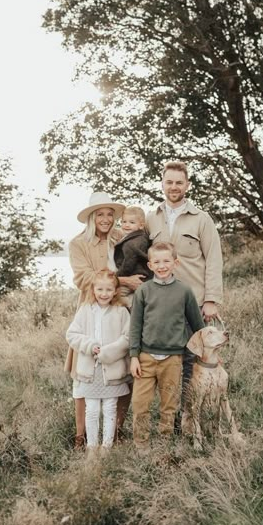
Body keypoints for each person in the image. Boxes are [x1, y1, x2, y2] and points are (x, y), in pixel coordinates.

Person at [68, 192, 144, 448]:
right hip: (92, 309)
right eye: (100, 214)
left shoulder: (121, 239)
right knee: (83, 372)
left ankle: (117, 429)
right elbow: (83, 277)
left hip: (121, 310)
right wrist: (121, 281)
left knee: (122, 370)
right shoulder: (79, 244)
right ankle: (81, 434)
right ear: (91, 217)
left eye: (110, 214)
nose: (105, 219)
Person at [146, 161, 223, 405]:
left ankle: (190, 416)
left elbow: (214, 259)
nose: (174, 187)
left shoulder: (202, 219)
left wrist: (211, 300)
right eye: (169, 182)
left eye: (179, 182)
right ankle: (170, 416)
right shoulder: (152, 218)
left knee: (192, 358)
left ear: (187, 185)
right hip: (161, 304)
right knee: (166, 360)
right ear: (162, 184)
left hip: (193, 302)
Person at [129, 242, 205, 449]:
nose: (162, 266)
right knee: (140, 404)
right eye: (157, 262)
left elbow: (199, 327)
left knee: (169, 404)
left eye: (166, 261)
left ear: (175, 263)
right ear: (150, 265)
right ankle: (141, 445)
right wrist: (134, 356)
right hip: (145, 358)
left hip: (172, 359)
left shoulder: (184, 291)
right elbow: (135, 326)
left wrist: (205, 353)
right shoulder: (143, 291)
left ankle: (165, 443)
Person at [66, 270, 131, 454]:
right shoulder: (85, 310)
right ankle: (92, 447)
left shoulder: (121, 312)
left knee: (110, 408)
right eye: (100, 289)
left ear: (115, 291)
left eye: (108, 289)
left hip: (111, 370)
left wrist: (108, 352)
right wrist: (90, 345)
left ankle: (107, 446)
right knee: (92, 410)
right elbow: (72, 334)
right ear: (93, 290)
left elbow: (128, 338)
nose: (104, 294)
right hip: (90, 371)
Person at [114, 205, 152, 308]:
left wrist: (117, 276)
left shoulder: (131, 243)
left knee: (115, 295)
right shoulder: (140, 237)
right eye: (124, 222)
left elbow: (128, 263)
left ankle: (133, 308)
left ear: (141, 225)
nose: (126, 225)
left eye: (132, 222)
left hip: (136, 275)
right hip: (144, 276)